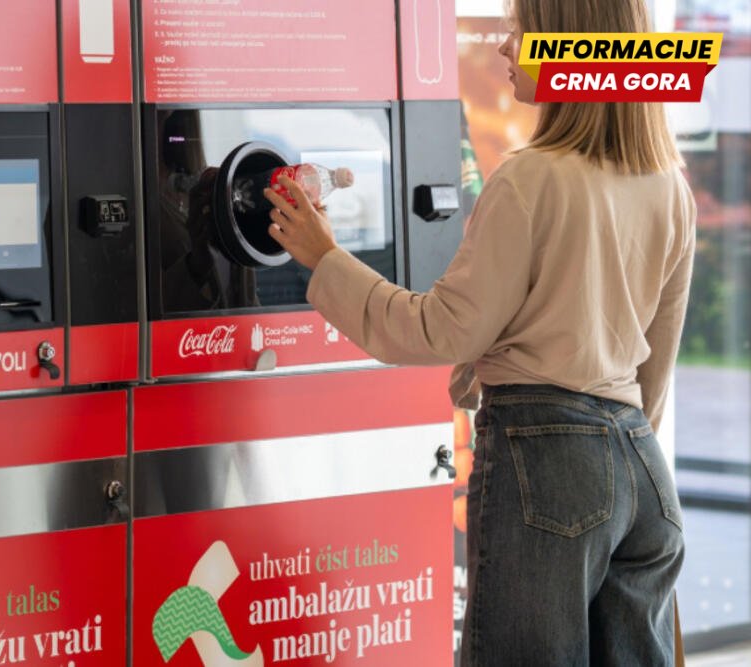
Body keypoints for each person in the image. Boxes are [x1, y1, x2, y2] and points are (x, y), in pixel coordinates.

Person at [264, 0, 695, 664]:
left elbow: (440, 330)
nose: (503, 47)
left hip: (547, 464)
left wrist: (324, 257)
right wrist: (613, 468)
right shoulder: (669, 185)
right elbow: (655, 369)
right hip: (642, 471)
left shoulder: (530, 179)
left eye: (521, 32)